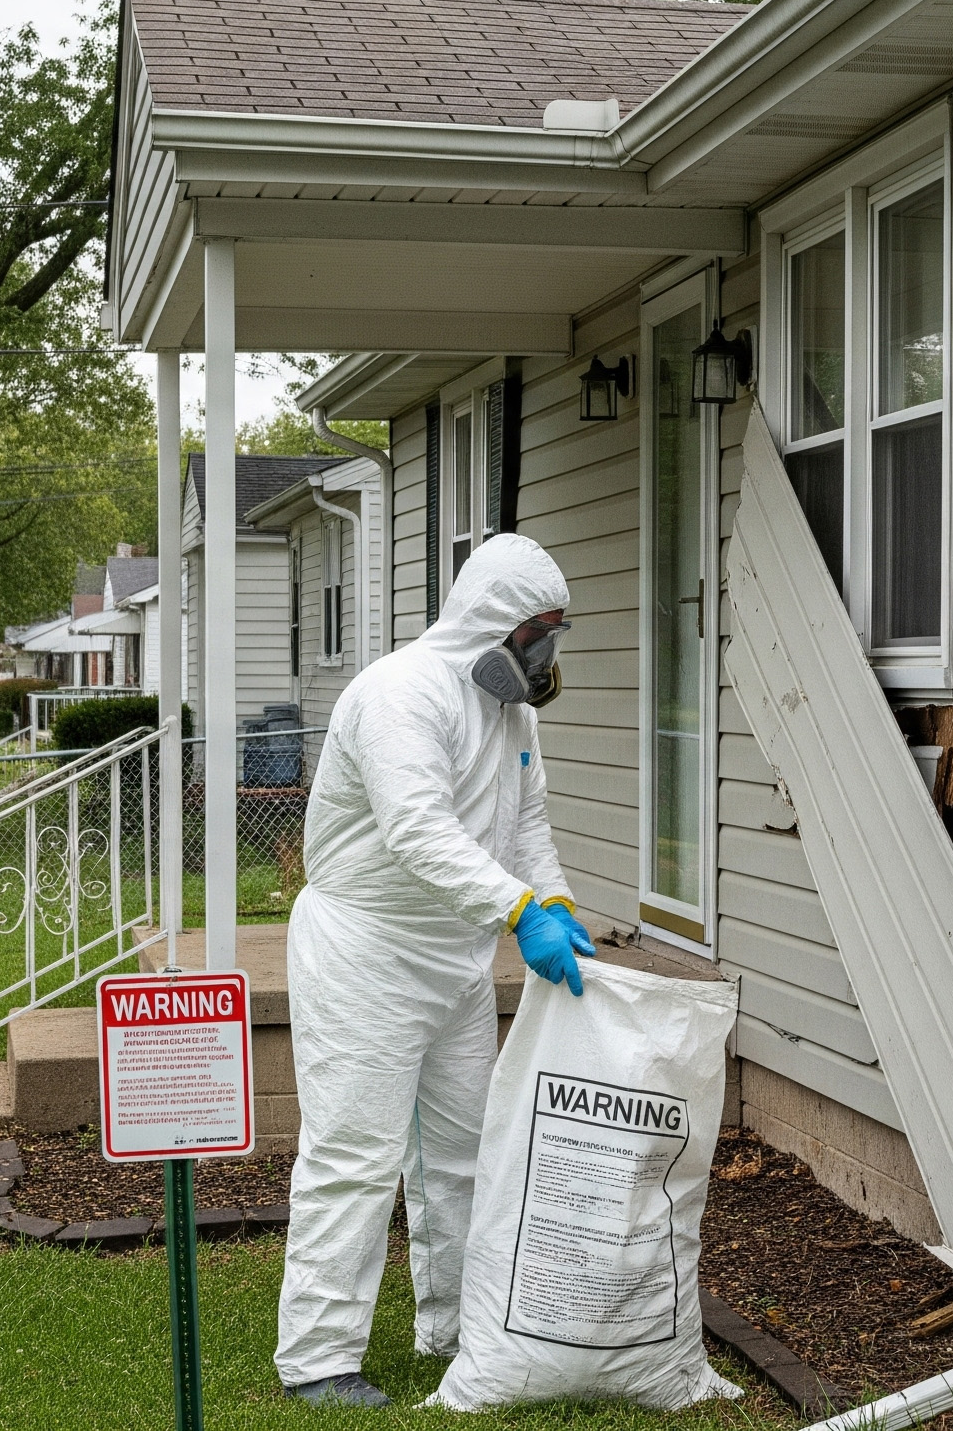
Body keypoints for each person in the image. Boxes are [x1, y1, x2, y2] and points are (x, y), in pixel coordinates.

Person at [274, 532, 594, 1407]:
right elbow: (418, 833)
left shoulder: (510, 712)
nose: (547, 657)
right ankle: (318, 1358)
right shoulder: (399, 696)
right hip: (365, 953)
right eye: (541, 636)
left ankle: (454, 1329)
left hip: (453, 956)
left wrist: (555, 901)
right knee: (356, 1156)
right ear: (497, 626)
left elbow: (524, 826)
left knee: (461, 1156)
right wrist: (518, 911)